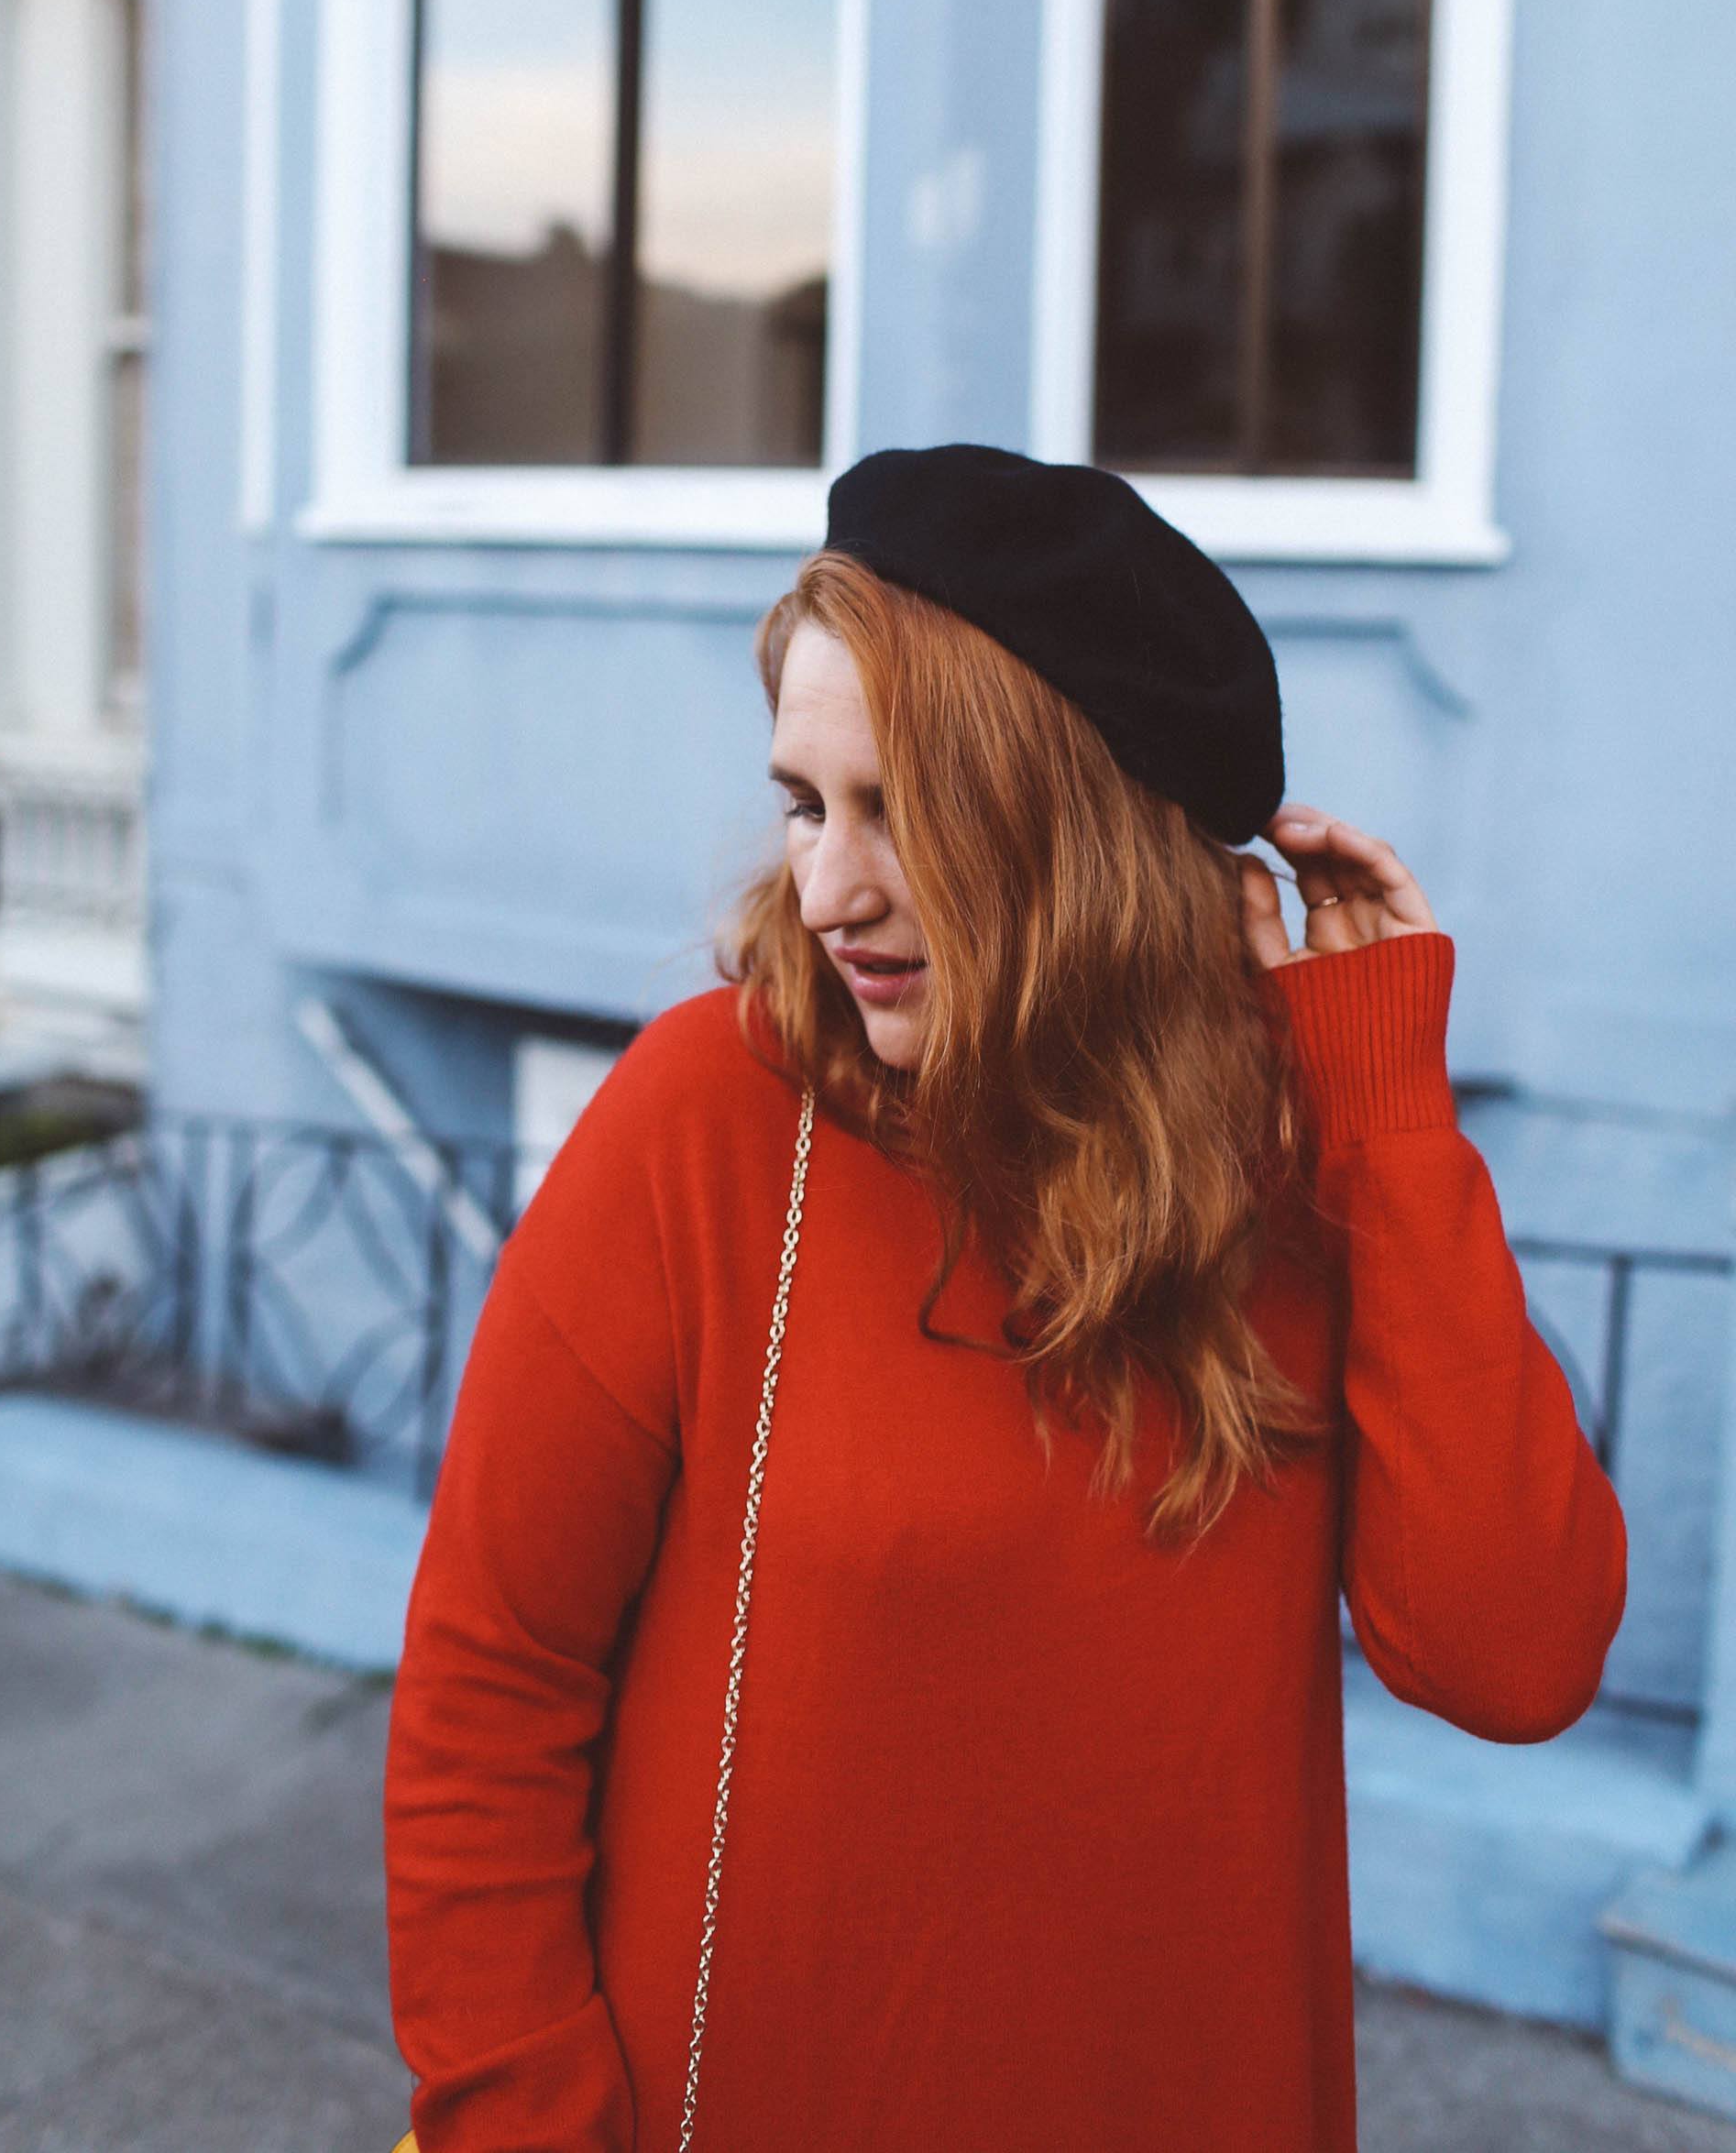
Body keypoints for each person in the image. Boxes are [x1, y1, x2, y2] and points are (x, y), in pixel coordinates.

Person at [382, 443, 1627, 2153]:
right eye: (808, 804)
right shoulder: (711, 1123)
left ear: (1078, 828)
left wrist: (1393, 1121)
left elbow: (1514, 1656)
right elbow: (488, 1690)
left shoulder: (1300, 1170)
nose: (829, 893)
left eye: (902, 812)